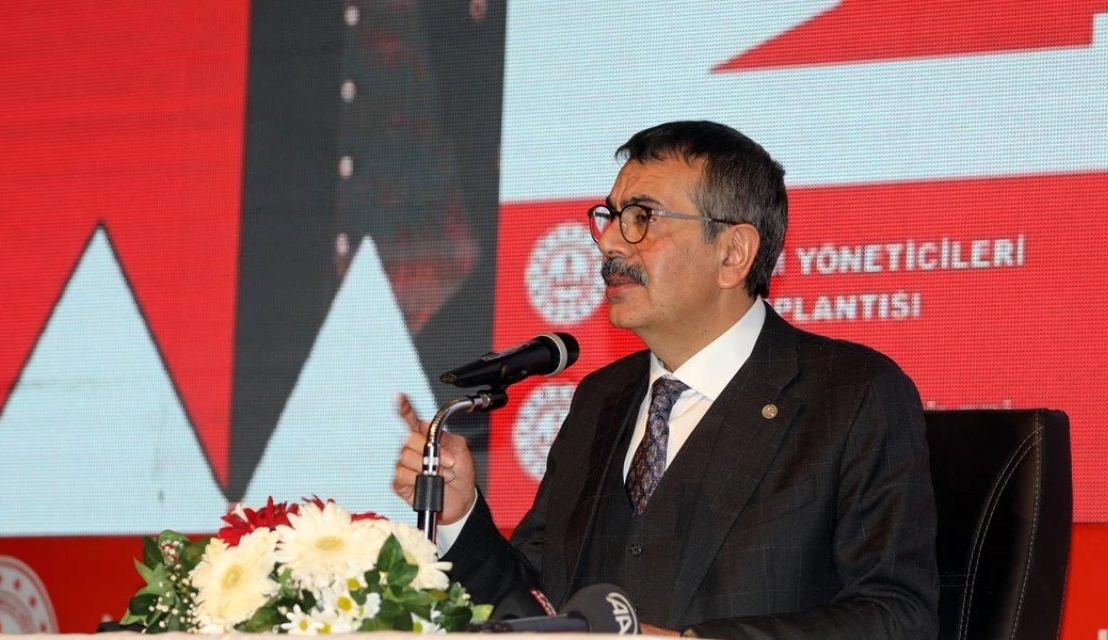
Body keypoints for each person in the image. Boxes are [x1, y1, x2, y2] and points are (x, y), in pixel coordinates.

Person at [393, 121, 939, 638]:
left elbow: (897, 617)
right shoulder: (601, 399)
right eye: (609, 216)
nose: (609, 242)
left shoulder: (851, 394)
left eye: (642, 217)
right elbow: (538, 606)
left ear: (733, 253)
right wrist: (459, 514)